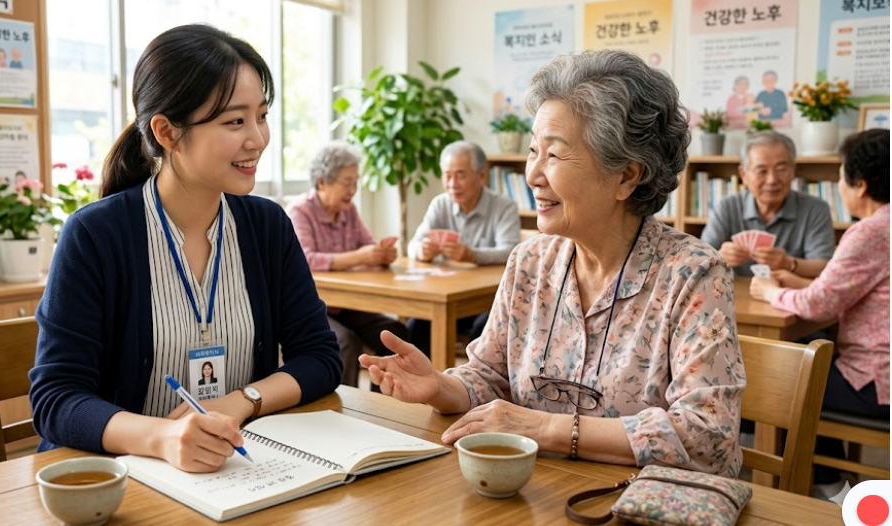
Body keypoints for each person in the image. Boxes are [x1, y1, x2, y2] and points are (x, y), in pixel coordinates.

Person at [361, 49, 745, 477]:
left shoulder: (693, 274)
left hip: (638, 500)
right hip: (536, 490)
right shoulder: (530, 261)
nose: (532, 175)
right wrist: (441, 386)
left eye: (554, 155)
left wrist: (543, 428)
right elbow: (489, 377)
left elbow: (707, 435)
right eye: (532, 151)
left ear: (626, 176)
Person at [29, 24, 341, 474]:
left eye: (261, 116)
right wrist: (162, 438)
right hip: (120, 477)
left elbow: (320, 357)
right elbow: (56, 399)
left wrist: (241, 401)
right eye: (234, 121)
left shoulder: (267, 226)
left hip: (229, 472)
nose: (257, 138)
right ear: (167, 132)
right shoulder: (94, 235)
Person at [750, 129, 890, 499]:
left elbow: (818, 304)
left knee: (785, 380)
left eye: (841, 176)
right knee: (807, 372)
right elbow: (846, 289)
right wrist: (797, 282)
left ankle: (830, 492)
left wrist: (770, 291)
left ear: (860, 185)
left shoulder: (870, 232)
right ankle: (834, 481)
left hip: (876, 383)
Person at [286, 141, 410, 388]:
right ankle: (343, 408)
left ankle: (384, 401)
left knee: (393, 333)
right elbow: (306, 259)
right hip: (312, 306)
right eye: (346, 183)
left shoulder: (348, 210)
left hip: (348, 304)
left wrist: (382, 254)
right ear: (322, 182)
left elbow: (368, 245)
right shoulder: (300, 211)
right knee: (345, 341)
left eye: (355, 182)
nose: (353, 190)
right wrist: (361, 257)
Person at [405, 140, 520, 355]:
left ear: (482, 175)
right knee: (416, 326)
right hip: (446, 297)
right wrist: (421, 250)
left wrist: (472, 254)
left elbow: (511, 252)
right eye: (447, 175)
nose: (452, 184)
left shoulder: (504, 206)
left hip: (487, 301)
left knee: (484, 328)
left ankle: (469, 378)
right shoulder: (440, 204)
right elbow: (412, 245)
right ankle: (423, 377)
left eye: (460, 175)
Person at [701, 131, 834, 277]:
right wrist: (719, 257)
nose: (772, 180)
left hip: (788, 290)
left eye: (781, 169)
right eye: (762, 171)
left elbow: (824, 267)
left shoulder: (816, 209)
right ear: (744, 175)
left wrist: (789, 263)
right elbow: (699, 260)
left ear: (793, 171)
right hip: (734, 290)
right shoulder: (726, 207)